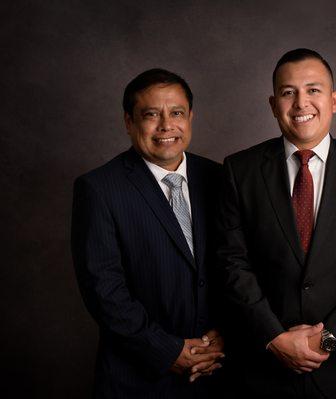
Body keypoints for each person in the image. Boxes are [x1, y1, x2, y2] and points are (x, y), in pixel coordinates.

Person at [216, 48, 336, 398]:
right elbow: (231, 263)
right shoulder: (239, 171)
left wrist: (328, 339)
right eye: (289, 93)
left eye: (313, 90)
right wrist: (274, 337)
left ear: (334, 100)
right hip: (262, 371)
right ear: (273, 104)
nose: (301, 103)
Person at [71, 68, 224, 398]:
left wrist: (225, 333)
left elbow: (238, 264)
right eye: (151, 115)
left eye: (177, 113)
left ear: (191, 117)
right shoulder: (99, 189)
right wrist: (166, 351)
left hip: (218, 371)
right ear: (129, 122)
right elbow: (103, 289)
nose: (167, 126)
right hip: (138, 378)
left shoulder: (219, 178)